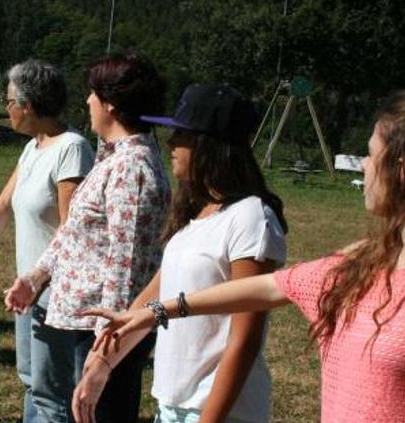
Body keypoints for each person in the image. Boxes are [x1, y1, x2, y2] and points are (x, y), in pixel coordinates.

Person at [83, 91, 405, 423]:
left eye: (370, 155)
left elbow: (248, 328)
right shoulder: (358, 266)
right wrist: (155, 312)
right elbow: (266, 288)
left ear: (402, 170)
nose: (364, 166)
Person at [71, 84, 288, 423]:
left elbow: (245, 340)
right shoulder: (198, 214)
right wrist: (104, 362)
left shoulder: (251, 218)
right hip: (172, 407)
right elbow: (157, 292)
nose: (170, 143)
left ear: (209, 144)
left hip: (219, 412)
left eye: (181, 135)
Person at [4, 52, 172, 423]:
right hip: (89, 327)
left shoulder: (132, 168)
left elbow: (126, 269)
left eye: (93, 94)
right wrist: (36, 277)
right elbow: (75, 232)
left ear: (110, 105)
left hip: (105, 332)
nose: (87, 101)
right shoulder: (112, 157)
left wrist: (104, 354)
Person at [0, 59, 94, 423]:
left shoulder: (72, 148)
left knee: (51, 393)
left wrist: (42, 279)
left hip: (55, 293)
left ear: (28, 105)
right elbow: (5, 203)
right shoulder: (34, 148)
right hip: (28, 290)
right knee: (31, 382)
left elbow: (72, 230)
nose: (6, 109)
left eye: (9, 102)